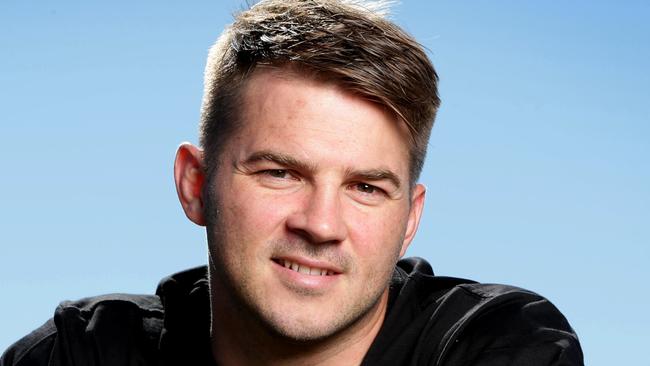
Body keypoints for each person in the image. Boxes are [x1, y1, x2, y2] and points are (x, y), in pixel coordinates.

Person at [1, 0, 584, 365]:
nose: (321, 225)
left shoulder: (497, 345)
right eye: (280, 173)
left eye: (366, 188)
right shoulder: (82, 352)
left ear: (410, 219)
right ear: (195, 183)